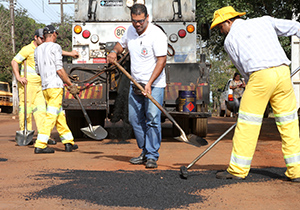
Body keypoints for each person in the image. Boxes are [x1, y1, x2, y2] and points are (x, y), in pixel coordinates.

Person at [211, 6, 300, 182]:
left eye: (221, 27)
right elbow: (296, 26)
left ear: (228, 21)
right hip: (282, 72)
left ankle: (237, 170)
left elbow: (244, 71)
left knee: (247, 123)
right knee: (288, 122)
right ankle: (296, 171)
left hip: (259, 77)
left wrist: (254, 85)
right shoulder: (264, 21)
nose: (221, 31)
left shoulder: (230, 41)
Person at [107, 3, 167, 168]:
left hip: (154, 85)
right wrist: (114, 51)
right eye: (134, 21)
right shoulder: (130, 31)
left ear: (147, 18)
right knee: (134, 119)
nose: (138, 24)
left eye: (141, 21)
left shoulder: (157, 34)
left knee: (153, 119)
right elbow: (121, 44)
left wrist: (149, 83)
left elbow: (162, 60)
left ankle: (152, 156)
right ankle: (145, 151)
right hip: (135, 83)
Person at [11, 29, 79, 145]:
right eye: (41, 38)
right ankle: (26, 132)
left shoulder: (42, 48)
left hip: (41, 85)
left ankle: (44, 136)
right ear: (35, 37)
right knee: (26, 110)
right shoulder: (28, 49)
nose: (43, 40)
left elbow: (56, 51)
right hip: (27, 85)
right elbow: (14, 61)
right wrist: (18, 77)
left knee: (41, 111)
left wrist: (70, 54)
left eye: (44, 38)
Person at [34, 25, 79, 154]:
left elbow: (38, 70)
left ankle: (68, 142)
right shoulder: (56, 47)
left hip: (45, 87)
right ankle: (41, 144)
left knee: (59, 115)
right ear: (54, 35)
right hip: (55, 87)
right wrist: (70, 84)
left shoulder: (37, 49)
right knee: (51, 116)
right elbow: (59, 69)